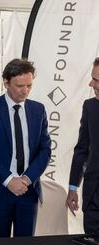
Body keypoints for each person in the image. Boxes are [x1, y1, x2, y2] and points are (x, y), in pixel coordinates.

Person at [0, 58, 51, 238]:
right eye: (19, 85)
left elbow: (45, 150)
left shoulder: (38, 110)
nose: (25, 91)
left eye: (29, 86)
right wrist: (9, 180)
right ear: (6, 82)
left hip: (28, 190)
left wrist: (26, 179)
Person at [66, 57, 99, 234]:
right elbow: (82, 150)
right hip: (93, 199)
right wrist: (73, 187)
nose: (91, 84)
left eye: (96, 80)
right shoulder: (90, 107)